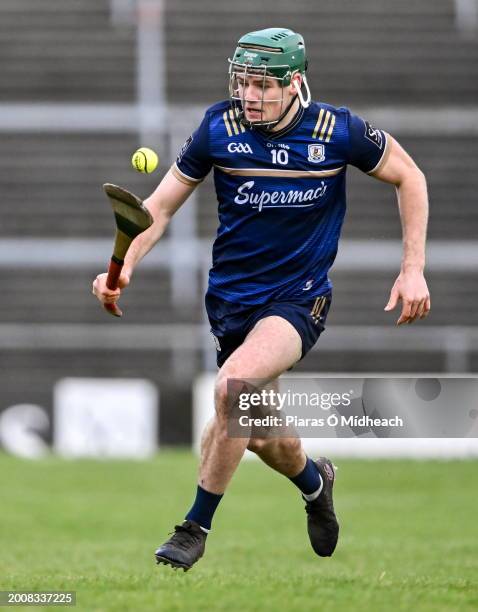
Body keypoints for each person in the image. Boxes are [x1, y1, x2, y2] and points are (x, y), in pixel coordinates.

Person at [92, 27, 430, 571]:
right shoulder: (218, 128)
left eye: (262, 85)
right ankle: (316, 483)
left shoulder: (336, 131)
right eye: (242, 82)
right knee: (258, 432)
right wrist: (124, 263)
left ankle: (193, 527)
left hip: (299, 299)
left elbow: (409, 176)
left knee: (233, 390)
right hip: (231, 303)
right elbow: (157, 208)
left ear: (294, 82)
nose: (248, 95)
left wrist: (412, 268)